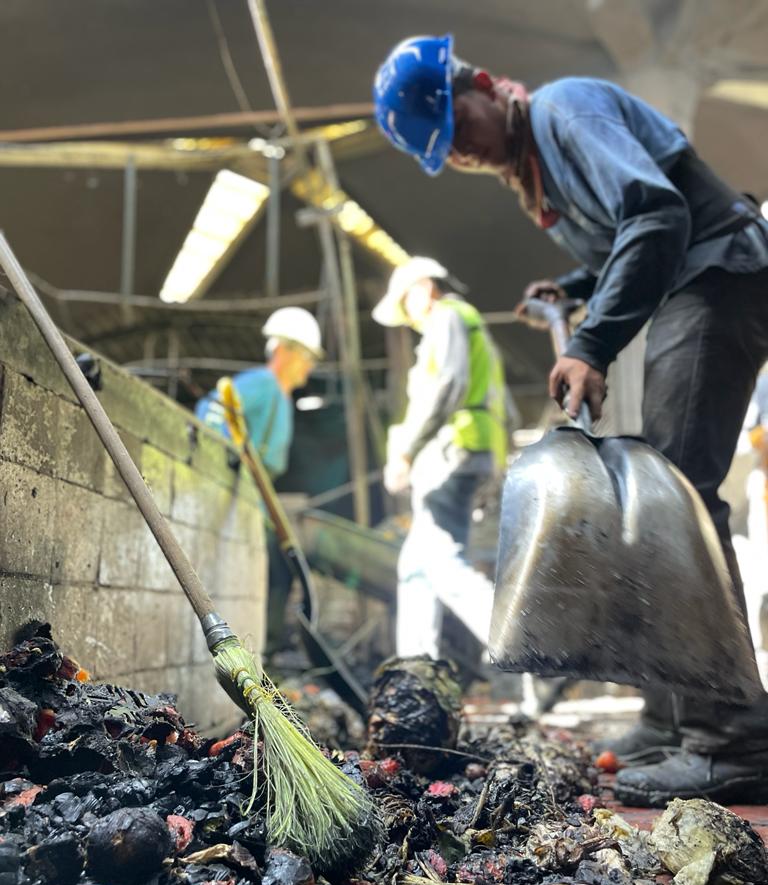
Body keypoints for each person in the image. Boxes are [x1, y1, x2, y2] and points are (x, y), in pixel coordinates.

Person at [373, 35, 768, 805]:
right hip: (698, 281)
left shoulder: (562, 108)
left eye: (457, 128)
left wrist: (591, 342)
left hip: (719, 271)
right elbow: (630, 232)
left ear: (481, 85)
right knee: (663, 500)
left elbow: (656, 212)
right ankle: (669, 718)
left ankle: (735, 741)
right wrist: (574, 286)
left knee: (678, 498)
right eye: (444, 151)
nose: (461, 152)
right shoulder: (539, 167)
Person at [373, 256, 508, 659]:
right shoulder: (471, 326)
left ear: (423, 289)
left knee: (442, 562)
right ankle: (416, 674)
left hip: (454, 453)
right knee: (415, 567)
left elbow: (449, 384)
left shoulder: (446, 318)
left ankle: (516, 637)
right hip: (472, 449)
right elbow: (505, 406)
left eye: (406, 305)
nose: (408, 317)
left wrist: (406, 451)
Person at [196, 307, 324, 650]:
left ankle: (269, 649)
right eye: (306, 356)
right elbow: (211, 409)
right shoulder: (263, 384)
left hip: (258, 499)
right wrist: (225, 451)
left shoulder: (281, 398)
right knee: (275, 575)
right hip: (241, 495)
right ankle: (264, 648)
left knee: (278, 575)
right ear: (283, 351)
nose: (310, 366)